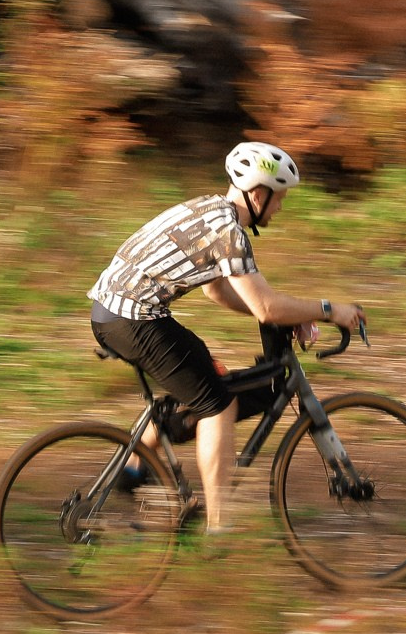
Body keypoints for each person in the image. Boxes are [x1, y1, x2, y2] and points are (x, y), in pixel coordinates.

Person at [88, 141, 365, 534]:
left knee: (202, 375)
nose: (280, 207)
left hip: (116, 312)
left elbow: (218, 291)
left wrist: (292, 316)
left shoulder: (211, 211)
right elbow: (267, 307)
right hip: (133, 317)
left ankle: (134, 471)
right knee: (217, 406)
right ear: (257, 194)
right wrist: (328, 309)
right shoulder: (229, 233)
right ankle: (220, 530)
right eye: (279, 198)